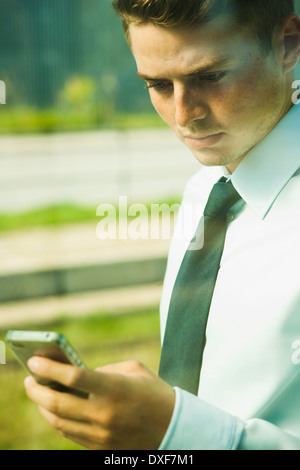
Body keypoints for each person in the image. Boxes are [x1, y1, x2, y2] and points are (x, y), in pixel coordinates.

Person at [24, 0, 300, 450]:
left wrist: (179, 432)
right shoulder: (204, 189)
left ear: (288, 44)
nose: (183, 115)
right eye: (157, 84)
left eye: (209, 76)